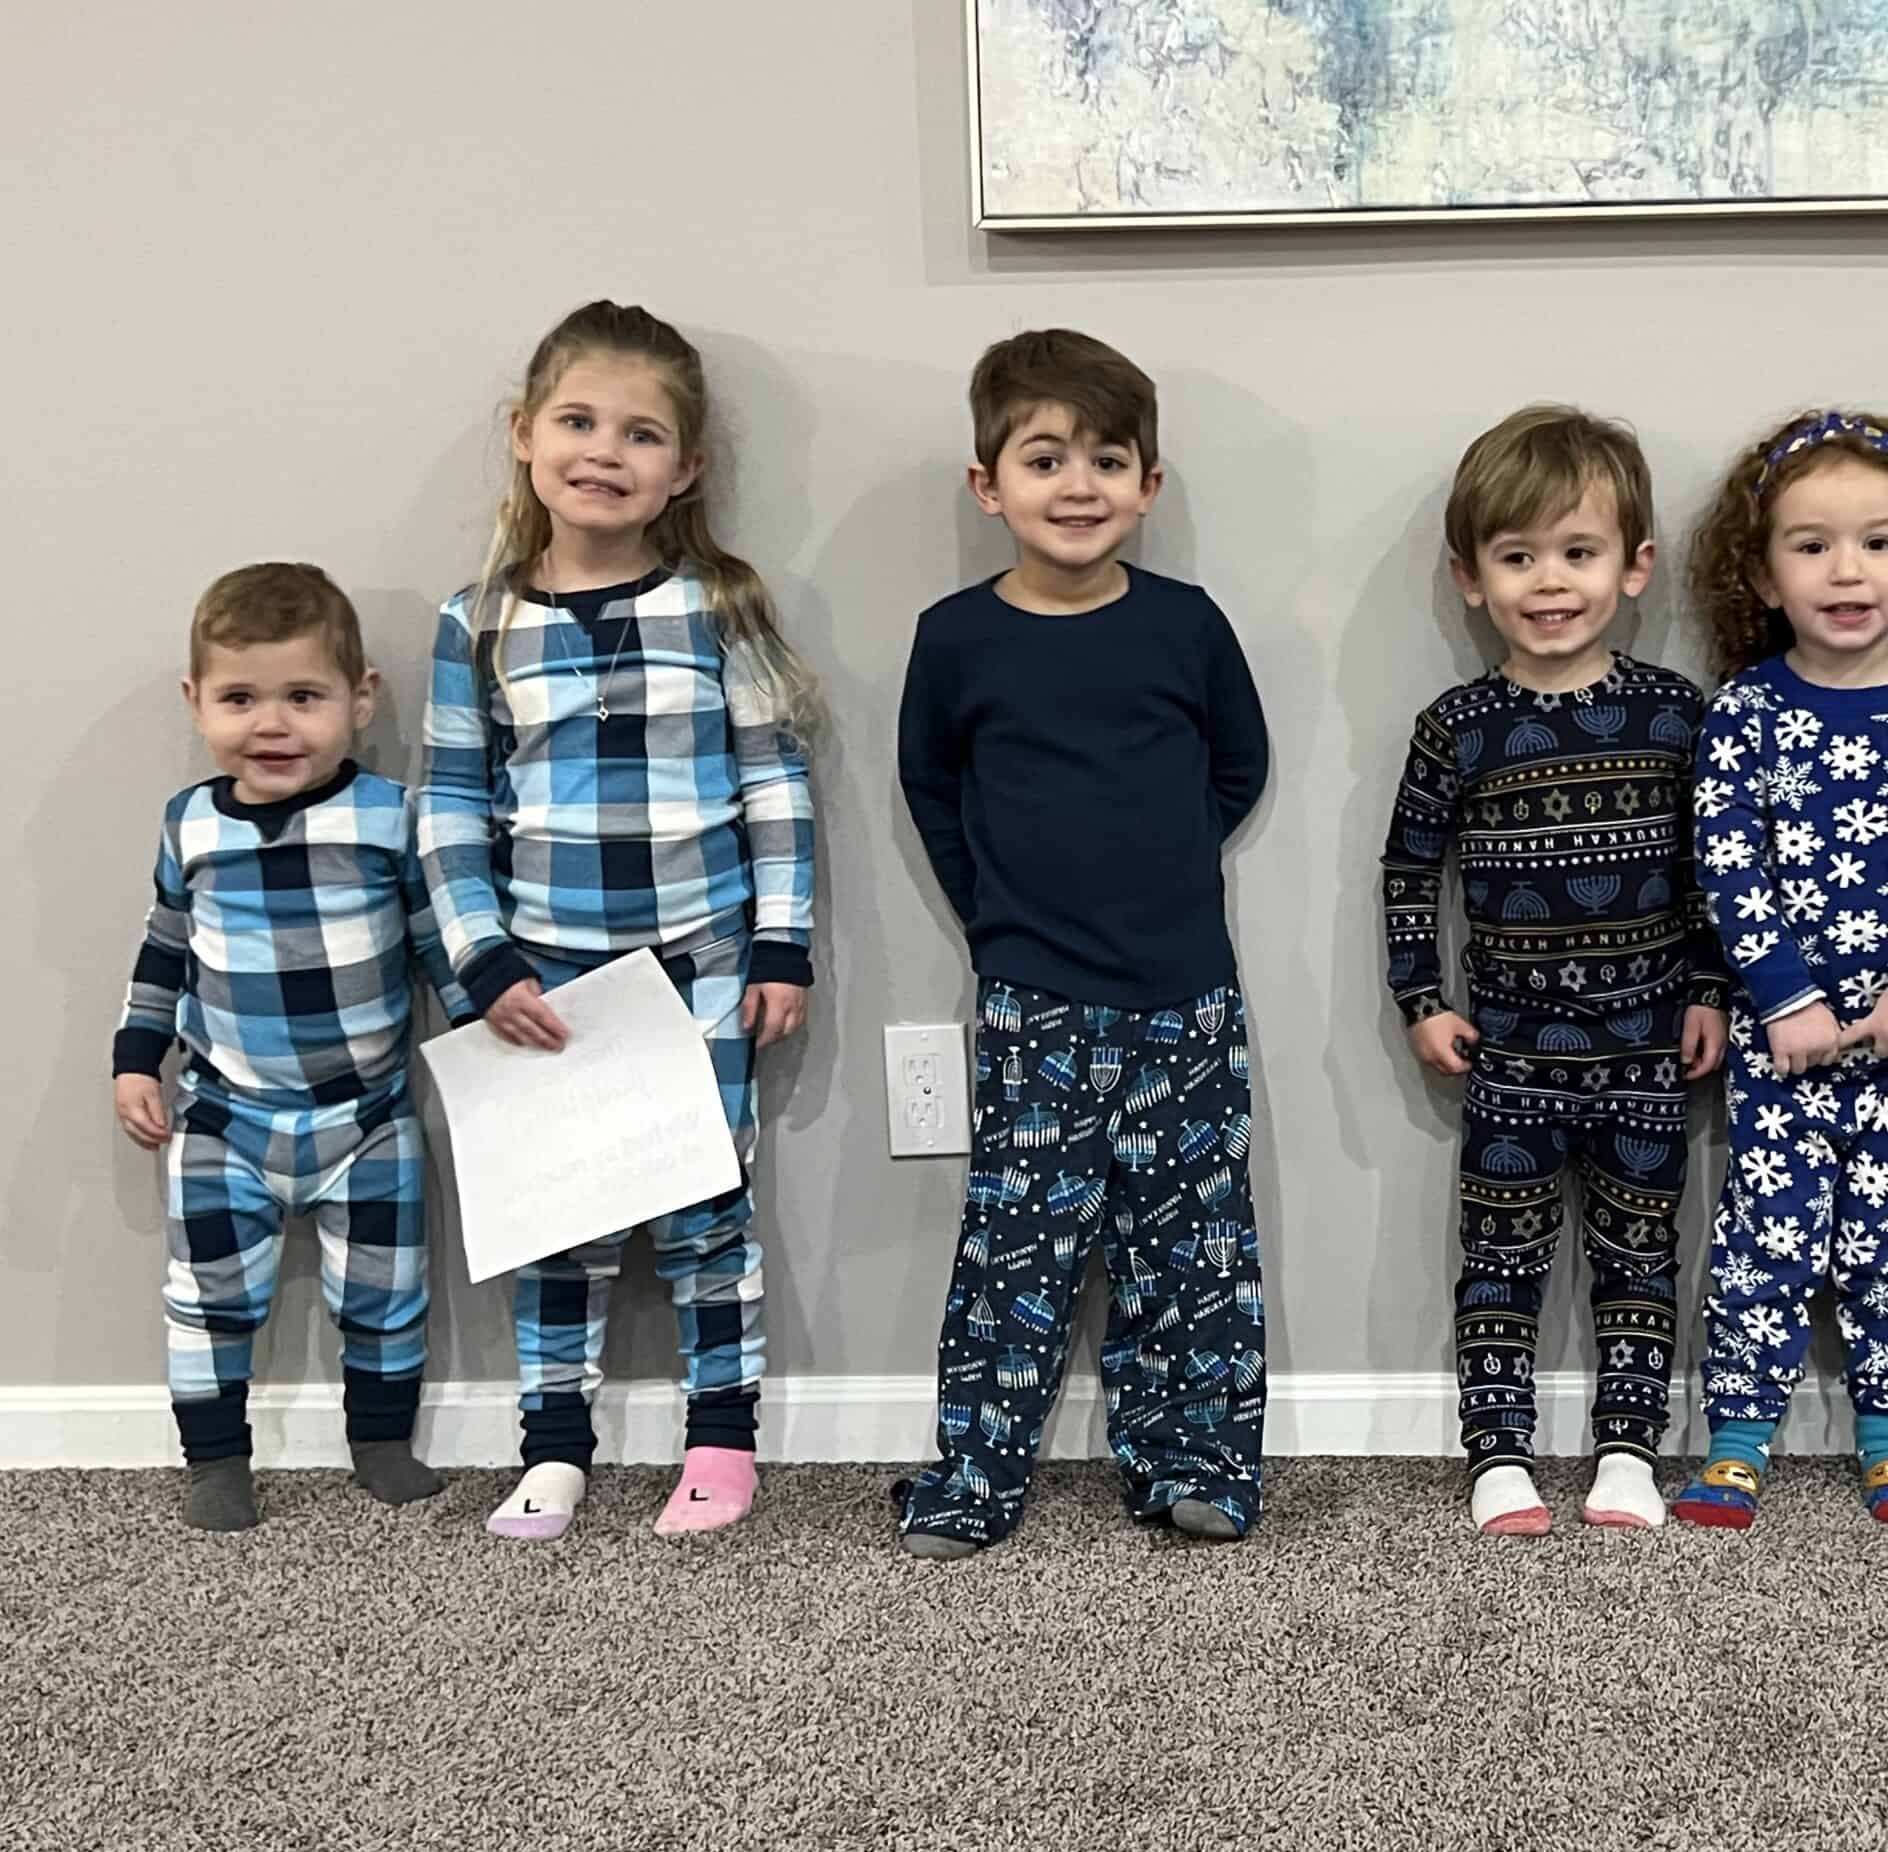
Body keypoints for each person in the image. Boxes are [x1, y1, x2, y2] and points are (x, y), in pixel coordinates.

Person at [420, 300, 820, 1541]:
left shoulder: (716, 605)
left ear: (684, 469)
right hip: (543, 984)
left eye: (642, 434)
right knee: (559, 1224)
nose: (605, 451)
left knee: (708, 1214)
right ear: (524, 436)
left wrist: (781, 940)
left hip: (698, 969)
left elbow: (773, 781)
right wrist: (480, 961)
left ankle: (720, 1440)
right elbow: (447, 804)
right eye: (578, 421)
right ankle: (553, 1448)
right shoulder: (477, 621)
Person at [894, 329, 1268, 1557]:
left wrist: (1153, 882)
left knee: (1192, 1254)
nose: (1077, 485)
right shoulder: (955, 638)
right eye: (1044, 457)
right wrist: (1001, 916)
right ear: (986, 485)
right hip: (1032, 1000)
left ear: (1148, 485)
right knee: (1016, 1251)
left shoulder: (1185, 625)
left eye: (1108, 459)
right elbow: (932, 791)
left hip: (1185, 997)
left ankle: (1195, 1461)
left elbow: (1235, 767)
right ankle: (973, 1477)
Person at [1380, 405, 1727, 1536]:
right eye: (1517, 556)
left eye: (1577, 553)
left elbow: (1714, 869)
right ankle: (1497, 1456)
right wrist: (1422, 1001)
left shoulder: (1679, 718)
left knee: (1639, 1251)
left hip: (1644, 1048)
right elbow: (1406, 868)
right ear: (1470, 578)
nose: (1548, 582)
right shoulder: (1455, 727)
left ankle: (1628, 1449)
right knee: (1502, 1254)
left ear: (1633, 568)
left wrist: (1711, 991)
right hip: (1512, 1052)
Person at [1679, 411, 1888, 1528]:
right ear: (1763, 577)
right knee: (1762, 1232)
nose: (1845, 569)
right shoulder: (1745, 714)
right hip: (1784, 1036)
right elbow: (1728, 865)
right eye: (1810, 545)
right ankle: (1735, 1434)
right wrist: (1786, 998)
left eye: (1876, 542)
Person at [114, 562, 466, 1530]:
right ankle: (217, 1458)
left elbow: (438, 942)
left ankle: (381, 1442)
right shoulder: (191, 827)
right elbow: (163, 951)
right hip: (228, 1116)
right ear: (197, 703)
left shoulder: (389, 817)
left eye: (303, 697)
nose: (271, 724)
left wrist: (486, 1025)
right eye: (239, 698)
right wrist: (135, 1059)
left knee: (386, 1294)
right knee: (209, 1298)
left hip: (368, 1115)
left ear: (360, 701)